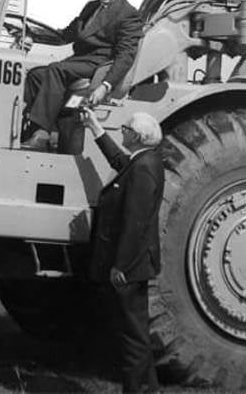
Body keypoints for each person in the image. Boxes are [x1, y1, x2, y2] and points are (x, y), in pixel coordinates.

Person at [83, 106, 164, 394]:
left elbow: (135, 222)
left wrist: (121, 266)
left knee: (133, 335)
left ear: (139, 136)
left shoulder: (143, 168)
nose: (123, 132)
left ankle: (136, 390)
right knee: (136, 330)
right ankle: (149, 388)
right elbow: (119, 160)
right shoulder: (142, 162)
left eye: (126, 130)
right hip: (135, 263)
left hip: (130, 265)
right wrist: (96, 128)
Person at [22, 0, 143, 147]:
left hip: (98, 63)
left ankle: (42, 131)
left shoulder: (128, 14)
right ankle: (38, 128)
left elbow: (125, 56)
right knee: (36, 75)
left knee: (56, 70)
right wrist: (32, 34)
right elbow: (65, 35)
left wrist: (105, 85)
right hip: (79, 61)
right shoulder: (90, 7)